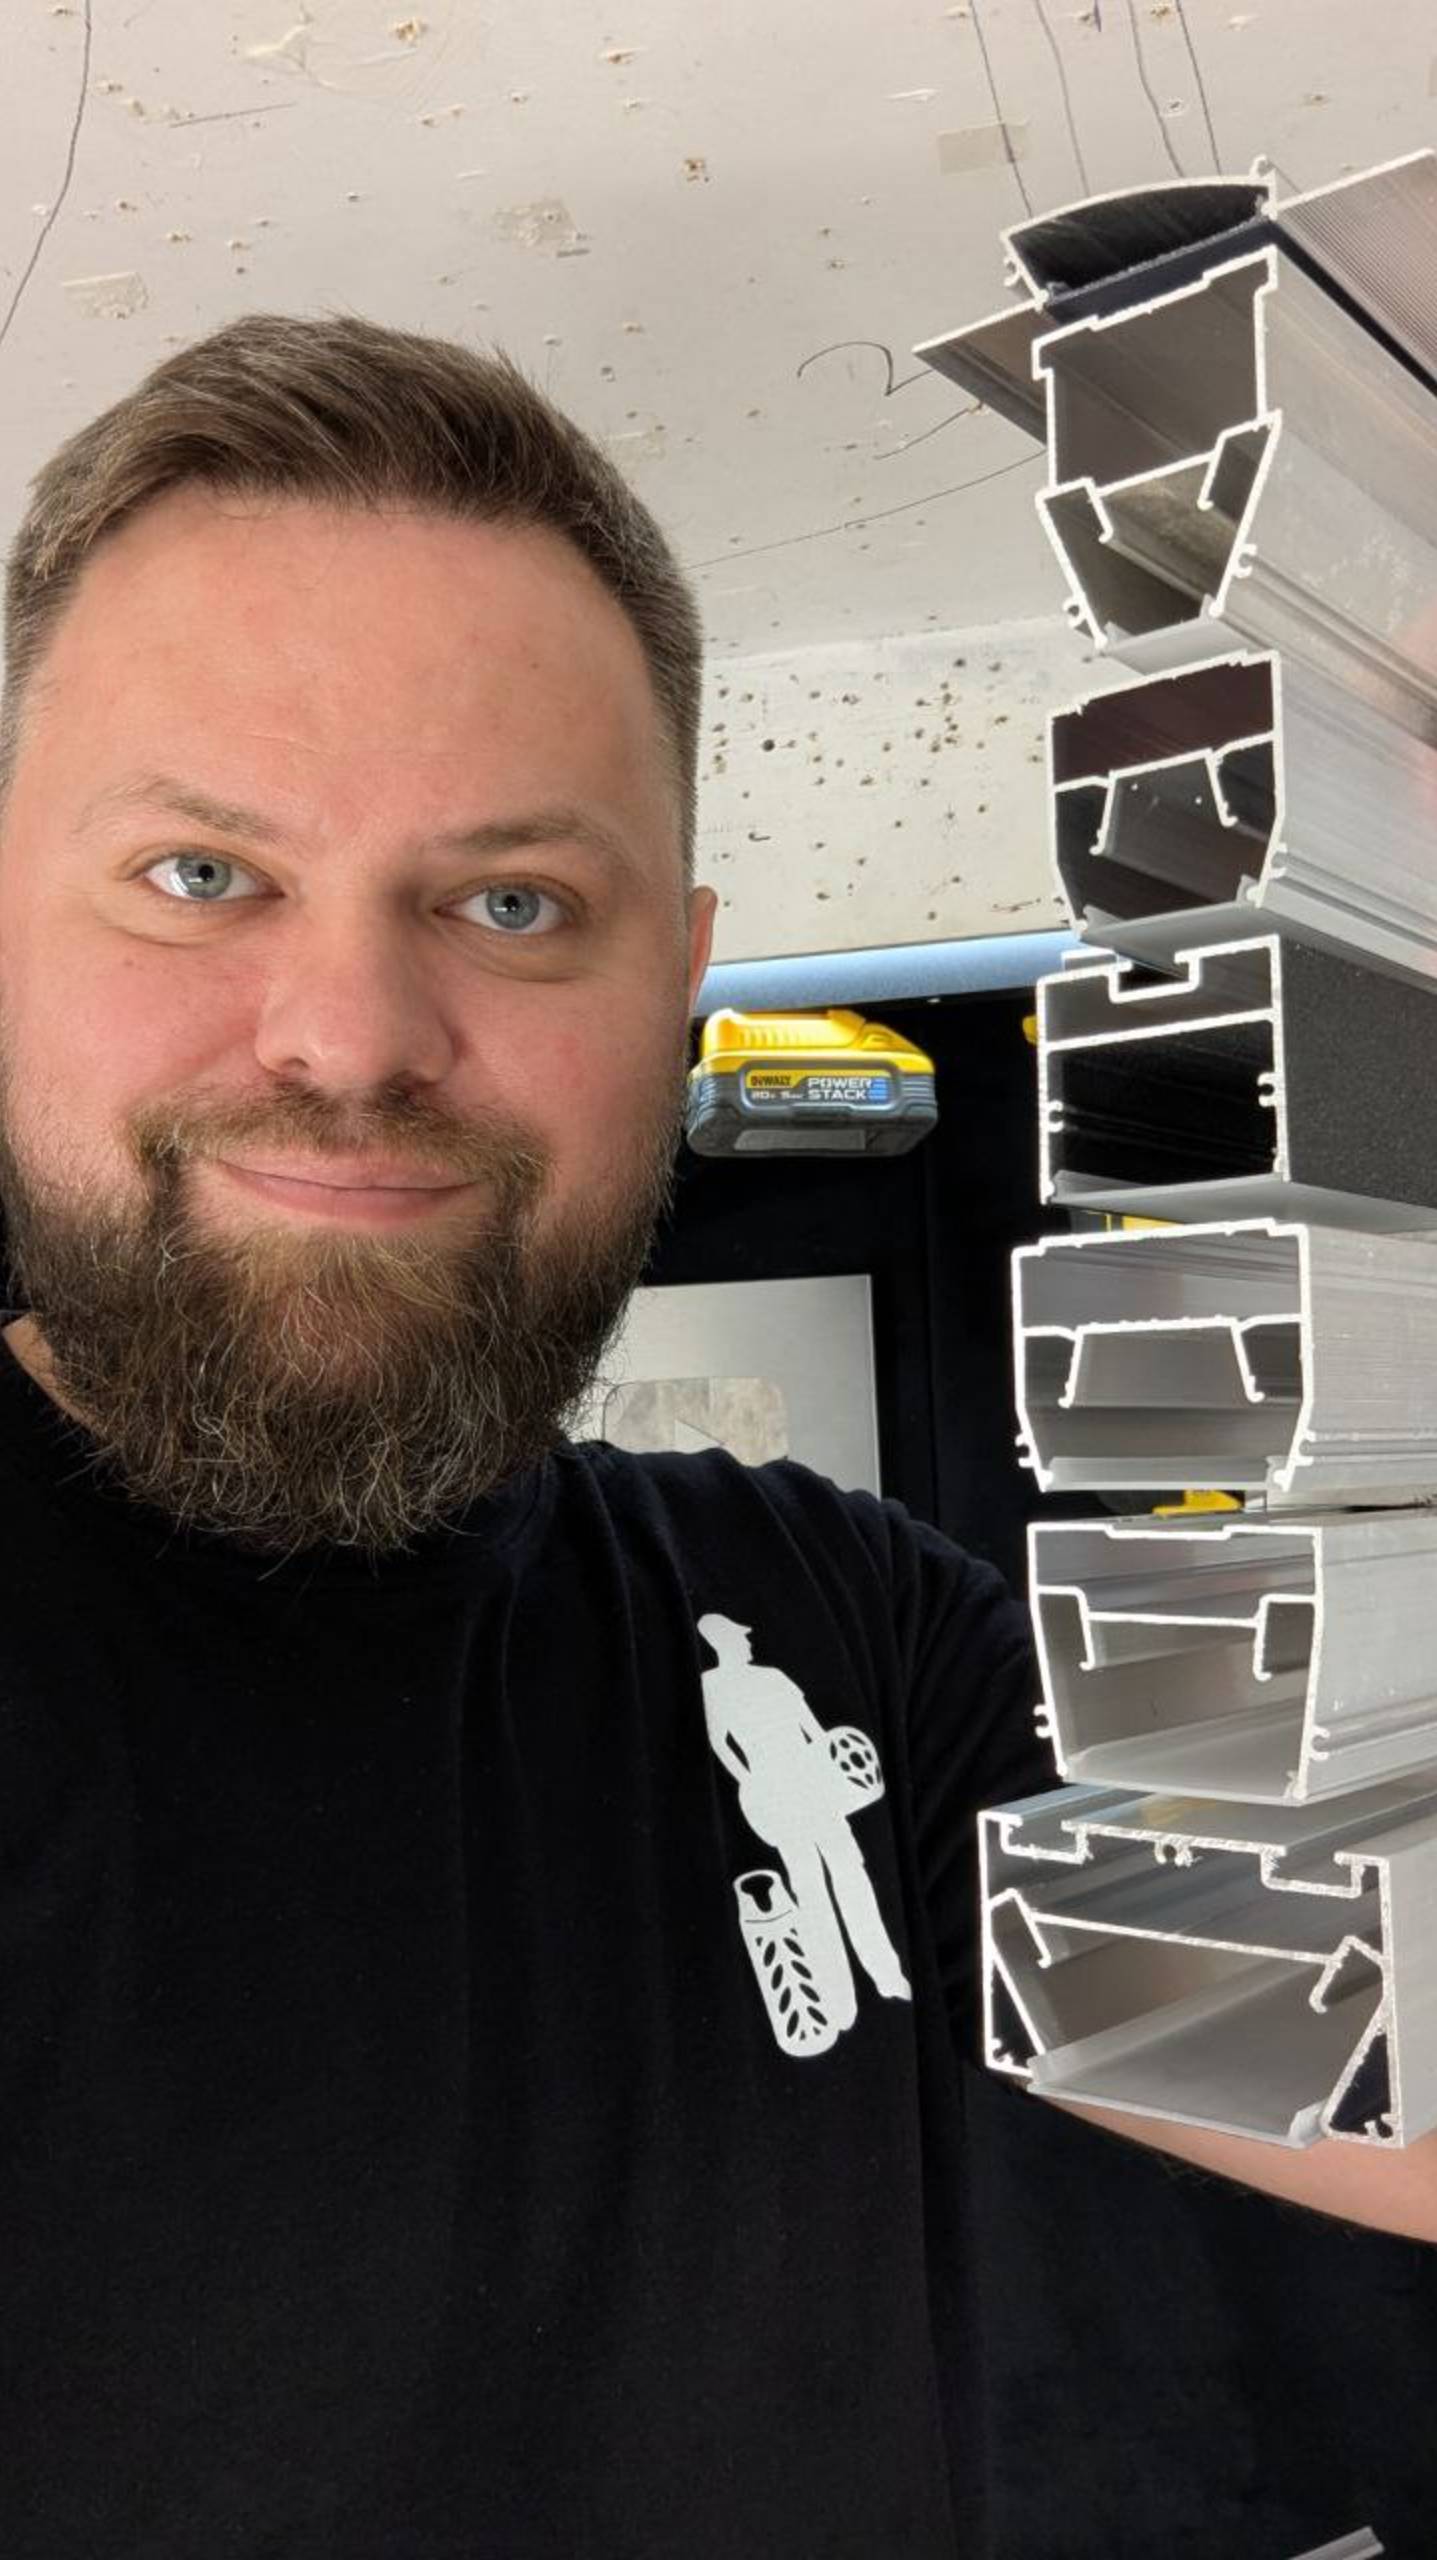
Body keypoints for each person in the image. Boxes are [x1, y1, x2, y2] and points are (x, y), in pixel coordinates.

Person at [0, 314, 1431, 2560]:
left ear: (675, 985)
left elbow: (1379, 2068)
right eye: (200, 872)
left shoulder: (833, 1626)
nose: (350, 1038)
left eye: (511, 903)